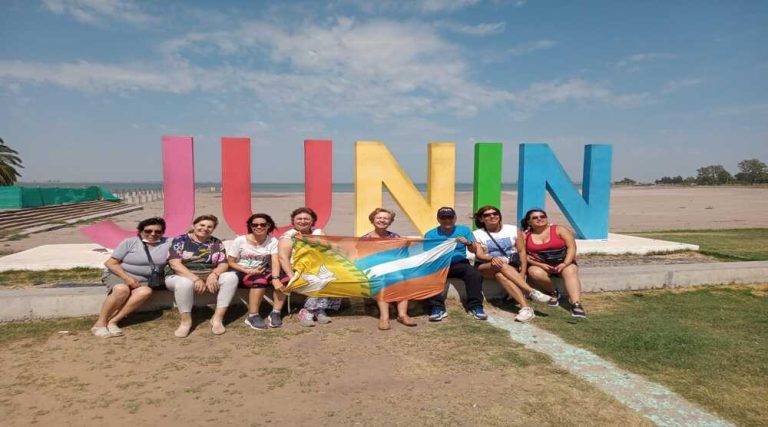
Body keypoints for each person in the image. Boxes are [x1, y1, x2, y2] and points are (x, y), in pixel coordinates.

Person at [472, 206, 557, 323]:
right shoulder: (476, 234)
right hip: (486, 267)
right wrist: (492, 258)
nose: (492, 216)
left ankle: (526, 309)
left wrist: (522, 273)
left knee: (500, 275)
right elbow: (479, 255)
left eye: (495, 213)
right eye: (487, 215)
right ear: (481, 219)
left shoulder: (512, 229)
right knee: (499, 264)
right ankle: (531, 292)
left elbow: (522, 252)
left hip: (510, 267)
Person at [91, 217, 171, 338]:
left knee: (145, 291)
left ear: (163, 232)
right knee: (121, 289)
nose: (153, 234)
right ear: (140, 231)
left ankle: (113, 321)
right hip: (120, 274)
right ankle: (100, 323)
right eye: (148, 231)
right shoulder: (130, 242)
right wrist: (128, 279)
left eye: (157, 231)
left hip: (145, 280)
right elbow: (111, 263)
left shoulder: (168, 243)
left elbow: (189, 240)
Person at [165, 214, 239, 337]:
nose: (205, 228)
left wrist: (214, 275)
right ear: (193, 225)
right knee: (184, 283)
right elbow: (175, 264)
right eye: (202, 225)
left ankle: (217, 319)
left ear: (213, 229)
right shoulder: (181, 240)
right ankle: (186, 322)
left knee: (231, 277)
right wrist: (196, 279)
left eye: (209, 227)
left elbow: (223, 264)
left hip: (208, 275)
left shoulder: (216, 242)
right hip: (181, 276)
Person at [278, 207, 341, 327]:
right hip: (296, 268)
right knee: (318, 280)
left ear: (312, 221)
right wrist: (291, 276)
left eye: (306, 219)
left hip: (316, 266)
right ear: (293, 221)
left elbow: (326, 251)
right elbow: (283, 258)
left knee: (335, 277)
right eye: (299, 219)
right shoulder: (288, 237)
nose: (303, 221)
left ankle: (318, 309)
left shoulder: (318, 233)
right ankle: (307, 311)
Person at [424, 207, 486, 321]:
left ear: (455, 218)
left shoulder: (464, 230)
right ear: (438, 219)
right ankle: (437, 308)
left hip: (459, 263)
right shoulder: (430, 234)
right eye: (443, 218)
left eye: (450, 217)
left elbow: (473, 250)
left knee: (474, 274)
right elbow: (428, 255)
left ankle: (476, 306)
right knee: (430, 276)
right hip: (440, 265)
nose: (447, 220)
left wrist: (468, 242)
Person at [521, 209, 587, 318]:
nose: (539, 219)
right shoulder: (525, 235)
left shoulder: (559, 229)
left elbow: (572, 248)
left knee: (570, 270)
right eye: (535, 217)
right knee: (534, 272)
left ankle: (576, 303)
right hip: (541, 265)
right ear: (529, 222)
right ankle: (553, 292)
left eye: (542, 216)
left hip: (563, 263)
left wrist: (565, 263)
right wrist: (540, 265)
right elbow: (523, 255)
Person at [227, 213, 287, 330]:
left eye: (263, 224)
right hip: (243, 272)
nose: (259, 227)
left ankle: (275, 312)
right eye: (255, 225)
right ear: (250, 226)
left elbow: (275, 261)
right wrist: (247, 270)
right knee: (260, 280)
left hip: (264, 271)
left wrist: (276, 278)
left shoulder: (272, 241)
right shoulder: (240, 240)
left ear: (269, 226)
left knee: (284, 279)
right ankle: (252, 316)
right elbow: (231, 262)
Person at [361, 208, 417, 330]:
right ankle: (384, 317)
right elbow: (361, 258)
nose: (382, 220)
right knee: (382, 280)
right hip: (373, 270)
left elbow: (402, 254)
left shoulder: (395, 236)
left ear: (390, 221)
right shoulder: (365, 239)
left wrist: (408, 243)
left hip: (392, 269)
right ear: (373, 220)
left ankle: (402, 315)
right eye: (379, 218)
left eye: (386, 218)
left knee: (401, 278)